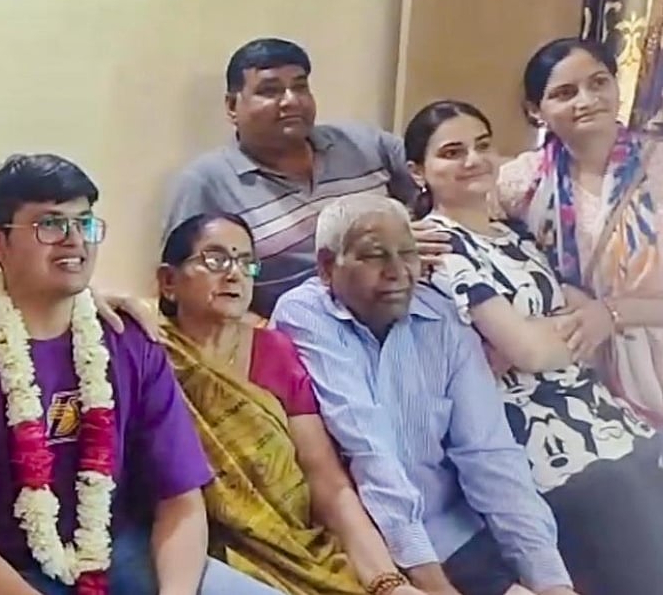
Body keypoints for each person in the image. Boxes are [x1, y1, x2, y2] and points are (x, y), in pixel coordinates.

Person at [0, 154, 281, 595]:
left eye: (85, 223)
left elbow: (181, 500)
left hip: (124, 556)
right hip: (6, 574)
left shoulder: (130, 338)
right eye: (51, 225)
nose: (74, 241)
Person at [405, 98, 663, 595]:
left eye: (482, 146)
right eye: (452, 152)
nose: (473, 160)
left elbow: (584, 316)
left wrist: (556, 329)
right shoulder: (438, 247)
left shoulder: (514, 234)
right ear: (419, 171)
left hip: (608, 421)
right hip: (546, 447)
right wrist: (559, 332)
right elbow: (532, 352)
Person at [271, 193, 577, 595]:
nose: (397, 272)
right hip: (359, 540)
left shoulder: (442, 319)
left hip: (449, 528)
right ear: (327, 267)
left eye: (408, 254)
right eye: (375, 256)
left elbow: (489, 454)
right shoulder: (305, 314)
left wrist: (550, 579)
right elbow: (367, 446)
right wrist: (431, 580)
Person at [155, 212, 426, 595]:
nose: (234, 274)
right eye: (215, 260)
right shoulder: (151, 352)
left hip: (299, 546)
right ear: (169, 281)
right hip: (204, 550)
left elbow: (326, 481)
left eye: (245, 262)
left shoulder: (275, 350)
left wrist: (387, 582)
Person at [162, 37, 443, 317]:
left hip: (413, 312)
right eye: (270, 91)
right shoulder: (208, 183)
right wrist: (263, 335)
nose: (291, 101)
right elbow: (187, 293)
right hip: (297, 330)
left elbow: (443, 191)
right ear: (232, 106)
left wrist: (404, 242)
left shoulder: (364, 144)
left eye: (300, 87)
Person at [499, 38, 663, 423]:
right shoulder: (520, 183)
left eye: (598, 83)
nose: (586, 100)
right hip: (574, 378)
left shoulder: (656, 167)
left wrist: (612, 313)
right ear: (535, 110)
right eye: (565, 93)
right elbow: (483, 245)